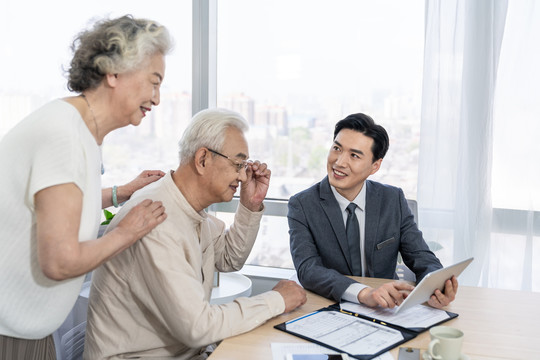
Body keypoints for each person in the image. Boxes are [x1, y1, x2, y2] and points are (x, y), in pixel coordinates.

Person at [0, 15, 172, 358]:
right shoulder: (63, 135)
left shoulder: (80, 132)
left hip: (29, 331)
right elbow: (60, 261)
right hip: (10, 336)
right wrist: (128, 232)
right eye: (153, 82)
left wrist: (117, 192)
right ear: (114, 72)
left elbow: (54, 213)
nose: (157, 98)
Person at [83, 108, 307, 360]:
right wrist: (276, 300)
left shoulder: (185, 206)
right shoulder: (156, 216)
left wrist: (250, 205)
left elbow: (229, 258)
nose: (243, 176)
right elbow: (197, 328)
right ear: (202, 159)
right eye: (238, 164)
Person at [288, 113, 458, 310]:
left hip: (388, 307)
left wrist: (436, 289)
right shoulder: (302, 204)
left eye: (354, 155)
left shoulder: (392, 199)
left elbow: (421, 256)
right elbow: (308, 269)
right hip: (331, 304)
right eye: (336, 148)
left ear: (375, 166)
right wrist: (363, 293)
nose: (339, 162)